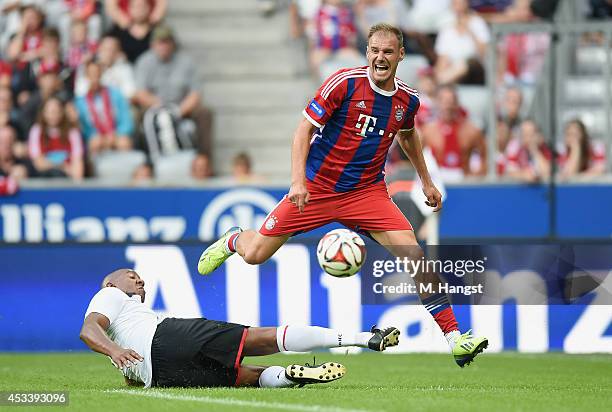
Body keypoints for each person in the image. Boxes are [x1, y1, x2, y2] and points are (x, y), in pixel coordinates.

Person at [198, 23, 488, 368]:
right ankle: (234, 241)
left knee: (415, 256)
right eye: (374, 50)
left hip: (366, 193)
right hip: (317, 188)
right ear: (368, 53)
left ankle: (456, 339)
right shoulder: (344, 83)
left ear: (400, 55)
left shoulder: (407, 100)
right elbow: (304, 128)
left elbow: (408, 136)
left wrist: (425, 181)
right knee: (256, 254)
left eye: (388, 51)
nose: (380, 57)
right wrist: (297, 181)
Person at [80, 268, 400, 388]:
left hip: (162, 375)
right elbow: (88, 328)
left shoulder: (125, 324)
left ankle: (289, 376)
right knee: (260, 338)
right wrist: (115, 350)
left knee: (244, 378)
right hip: (167, 336)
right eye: (131, 274)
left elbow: (127, 370)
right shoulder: (110, 293)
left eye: (141, 279)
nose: (139, 279)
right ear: (110, 281)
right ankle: (361, 339)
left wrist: (122, 360)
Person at [134, 25, 213, 157]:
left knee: (205, 113)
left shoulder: (186, 62)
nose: (164, 46)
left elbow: (196, 93)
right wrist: (160, 106)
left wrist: (179, 111)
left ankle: (203, 161)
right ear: (153, 44)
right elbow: (140, 93)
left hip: (181, 107)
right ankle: (144, 161)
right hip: (153, 107)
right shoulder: (144, 62)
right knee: (134, 114)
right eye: (160, 42)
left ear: (173, 44)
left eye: (167, 42)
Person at [420, 85, 487, 180]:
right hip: (438, 184)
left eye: (451, 102)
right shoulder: (428, 131)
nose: (448, 106)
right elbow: (417, 158)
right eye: (444, 102)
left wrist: (476, 176)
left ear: (457, 104)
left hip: (464, 182)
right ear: (438, 103)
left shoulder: (471, 130)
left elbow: (486, 156)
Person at [75, 61, 134, 155]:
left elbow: (126, 119)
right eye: (91, 74)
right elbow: (83, 126)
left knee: (124, 142)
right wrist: (96, 136)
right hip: (96, 136)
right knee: (95, 143)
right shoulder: (80, 102)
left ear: (101, 74)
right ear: (86, 77)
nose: (94, 78)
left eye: (96, 74)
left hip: (115, 134)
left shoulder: (116, 94)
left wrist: (116, 134)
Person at [27, 96, 84, 180]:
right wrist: (61, 166)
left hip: (67, 179)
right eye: (50, 111)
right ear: (43, 113)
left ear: (62, 112)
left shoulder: (72, 133)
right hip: (44, 178)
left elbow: (78, 166)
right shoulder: (36, 131)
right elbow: (39, 163)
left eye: (56, 111)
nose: (53, 115)